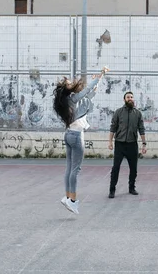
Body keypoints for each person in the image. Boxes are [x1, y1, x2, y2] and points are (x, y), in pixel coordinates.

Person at [53, 66, 109, 214]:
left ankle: (67, 197)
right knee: (75, 169)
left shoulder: (68, 101)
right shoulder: (73, 98)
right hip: (77, 136)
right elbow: (87, 90)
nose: (72, 83)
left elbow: (89, 95)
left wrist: (97, 81)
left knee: (69, 168)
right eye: (70, 83)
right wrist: (101, 74)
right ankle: (72, 201)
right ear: (68, 88)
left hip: (69, 134)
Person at [107, 91, 147, 198]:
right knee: (116, 168)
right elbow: (113, 128)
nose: (130, 99)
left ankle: (131, 188)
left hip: (132, 145)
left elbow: (141, 129)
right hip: (120, 144)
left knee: (133, 168)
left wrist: (144, 144)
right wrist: (110, 142)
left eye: (132, 97)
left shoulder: (138, 113)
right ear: (124, 99)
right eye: (128, 97)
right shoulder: (118, 112)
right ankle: (112, 190)